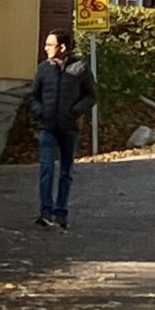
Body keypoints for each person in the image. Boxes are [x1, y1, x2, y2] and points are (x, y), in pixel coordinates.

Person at [29, 26, 96, 228]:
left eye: (50, 44)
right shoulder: (43, 69)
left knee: (66, 171)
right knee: (47, 169)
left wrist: (75, 111)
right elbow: (33, 96)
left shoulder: (80, 69)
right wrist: (39, 111)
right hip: (47, 126)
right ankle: (45, 211)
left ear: (62, 47)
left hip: (69, 127)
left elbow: (91, 96)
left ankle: (61, 211)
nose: (45, 48)